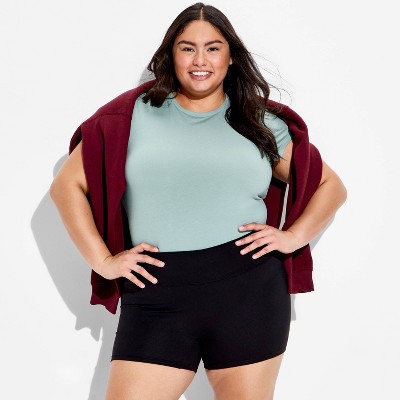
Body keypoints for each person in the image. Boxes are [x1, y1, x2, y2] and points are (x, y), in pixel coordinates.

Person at [50, 2, 347, 399]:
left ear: (231, 56)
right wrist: (103, 261)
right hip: (156, 289)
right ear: (171, 54)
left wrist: (293, 237)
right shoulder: (131, 116)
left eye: (213, 48)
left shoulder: (258, 122)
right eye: (187, 48)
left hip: (248, 289)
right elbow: (66, 187)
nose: (200, 60)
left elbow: (330, 185)